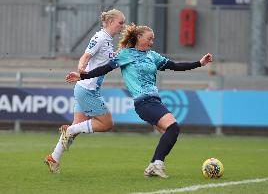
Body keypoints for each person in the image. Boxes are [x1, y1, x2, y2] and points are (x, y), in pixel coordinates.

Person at [65, 23, 213, 178]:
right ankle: (157, 164)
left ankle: (152, 166)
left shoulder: (152, 56)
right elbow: (104, 69)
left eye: (153, 39)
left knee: (170, 133)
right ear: (139, 37)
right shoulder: (125, 54)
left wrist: (200, 63)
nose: (152, 42)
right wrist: (82, 76)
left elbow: (175, 66)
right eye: (149, 38)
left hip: (155, 102)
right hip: (144, 103)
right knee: (173, 128)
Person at [44, 9, 125, 173]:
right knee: (107, 123)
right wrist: (81, 68)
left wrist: (120, 52)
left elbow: (105, 59)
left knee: (77, 126)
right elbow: (86, 55)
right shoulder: (100, 37)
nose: (122, 26)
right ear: (110, 22)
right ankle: (69, 130)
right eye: (120, 23)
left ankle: (53, 157)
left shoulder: (108, 40)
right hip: (88, 90)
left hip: (84, 88)